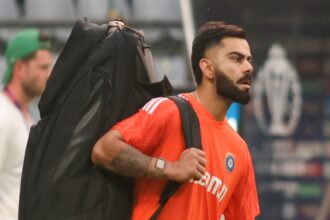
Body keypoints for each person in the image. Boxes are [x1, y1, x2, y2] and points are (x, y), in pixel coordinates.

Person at [92, 21, 260, 220]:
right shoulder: (169, 110)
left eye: (249, 60)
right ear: (208, 68)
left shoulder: (240, 150)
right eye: (236, 59)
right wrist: (169, 168)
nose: (248, 67)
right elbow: (104, 149)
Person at [0, 29, 53, 219]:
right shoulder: (3, 116)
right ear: (20, 68)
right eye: (43, 67)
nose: (49, 75)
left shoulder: (24, 115)